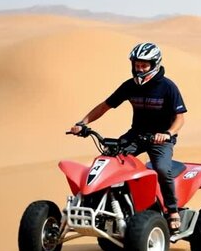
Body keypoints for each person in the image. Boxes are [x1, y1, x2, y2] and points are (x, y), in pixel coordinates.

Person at [69, 42, 187, 233]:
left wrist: (167, 134)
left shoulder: (167, 87)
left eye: (144, 65)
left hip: (160, 139)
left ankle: (172, 211)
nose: (139, 69)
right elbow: (104, 106)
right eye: (137, 65)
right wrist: (83, 123)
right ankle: (105, 206)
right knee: (110, 159)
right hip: (136, 135)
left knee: (162, 169)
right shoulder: (130, 86)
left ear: (154, 64)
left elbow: (180, 119)